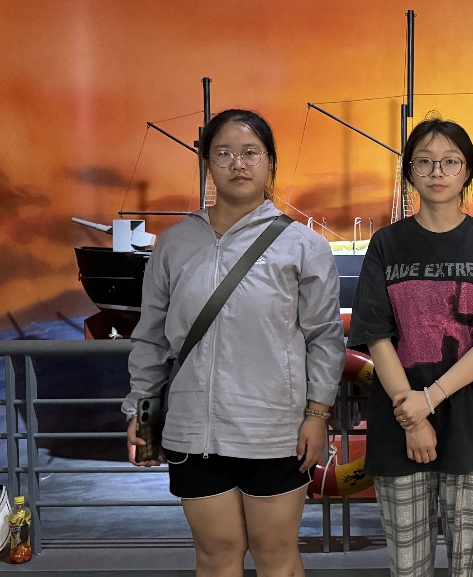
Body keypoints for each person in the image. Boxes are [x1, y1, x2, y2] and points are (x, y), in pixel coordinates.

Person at [123, 109, 345, 576]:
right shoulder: (175, 243)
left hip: (276, 430)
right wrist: (142, 413)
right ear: (207, 163)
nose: (237, 164)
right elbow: (151, 337)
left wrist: (317, 415)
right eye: (223, 153)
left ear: (270, 163)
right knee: (215, 555)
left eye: (250, 153)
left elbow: (324, 338)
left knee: (275, 553)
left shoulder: (302, 245)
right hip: (193, 430)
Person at [347, 116, 473, 577]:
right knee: (408, 566)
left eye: (450, 161)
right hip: (398, 424)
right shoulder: (386, 244)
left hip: (471, 426)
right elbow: (377, 335)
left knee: (471, 566)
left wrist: (427, 401)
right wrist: (412, 415)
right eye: (424, 162)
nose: (437, 172)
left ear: (468, 170)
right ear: (409, 171)